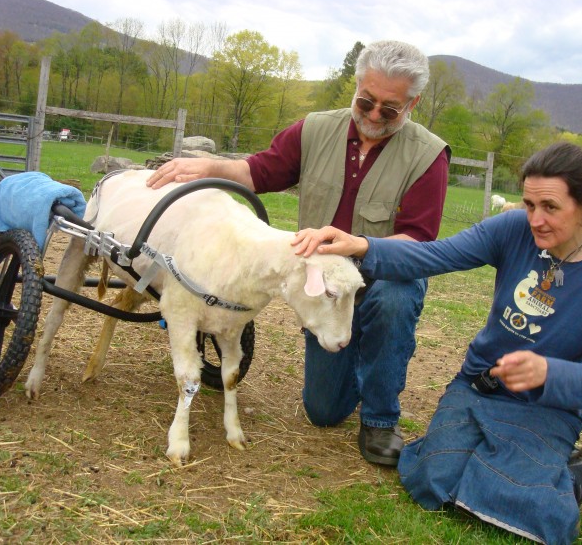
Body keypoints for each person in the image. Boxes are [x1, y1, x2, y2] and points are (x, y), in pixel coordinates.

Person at [292, 142, 582, 544]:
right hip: (480, 387)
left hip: (547, 404)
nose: (536, 219)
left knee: (532, 507)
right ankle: (537, 469)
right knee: (433, 478)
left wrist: (550, 372)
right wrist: (362, 246)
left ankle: (581, 477)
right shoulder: (513, 230)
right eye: (529, 204)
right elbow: (435, 256)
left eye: (550, 207)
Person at [146, 40, 451, 466]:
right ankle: (356, 358)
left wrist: (360, 246)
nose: (375, 115)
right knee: (323, 412)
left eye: (390, 108)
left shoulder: (428, 156)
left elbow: (419, 242)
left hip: (383, 277)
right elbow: (260, 169)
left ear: (413, 103)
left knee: (395, 299)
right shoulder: (315, 129)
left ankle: (381, 417)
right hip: (321, 282)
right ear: (357, 86)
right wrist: (210, 167)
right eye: (367, 101)